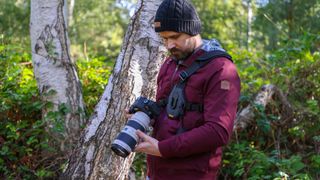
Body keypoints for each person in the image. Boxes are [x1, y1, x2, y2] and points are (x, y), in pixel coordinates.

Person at [133, 0, 241, 179]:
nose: (169, 45)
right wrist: (144, 117)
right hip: (156, 173)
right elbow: (170, 114)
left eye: (175, 37)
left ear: (193, 30)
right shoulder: (170, 63)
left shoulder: (221, 69)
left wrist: (163, 149)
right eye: (164, 38)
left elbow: (218, 132)